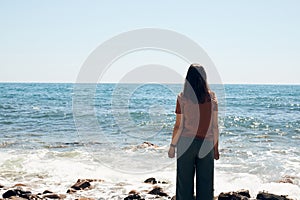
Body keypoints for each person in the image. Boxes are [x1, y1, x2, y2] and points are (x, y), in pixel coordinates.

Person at [168, 64, 219, 200]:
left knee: (184, 186)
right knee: (206, 186)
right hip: (206, 144)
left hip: (185, 144)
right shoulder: (212, 98)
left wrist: (172, 146)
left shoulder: (182, 98)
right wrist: (216, 148)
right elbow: (215, 126)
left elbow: (179, 125)